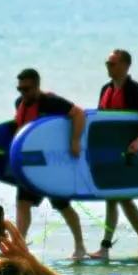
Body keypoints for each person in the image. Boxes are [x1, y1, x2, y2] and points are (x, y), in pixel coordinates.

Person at [88, 49, 138, 261]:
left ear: (126, 66)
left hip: (128, 154)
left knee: (117, 197)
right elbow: (100, 122)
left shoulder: (137, 91)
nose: (108, 67)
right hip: (109, 154)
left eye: (113, 64)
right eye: (107, 63)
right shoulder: (106, 89)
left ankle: (107, 247)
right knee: (118, 198)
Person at [13, 68, 89, 260]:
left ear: (37, 86)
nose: (23, 93)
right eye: (20, 89)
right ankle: (20, 247)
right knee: (22, 203)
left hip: (52, 165)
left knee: (62, 206)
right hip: (30, 165)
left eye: (27, 89)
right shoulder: (19, 104)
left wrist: (75, 140)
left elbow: (79, 114)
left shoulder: (51, 102)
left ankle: (80, 246)